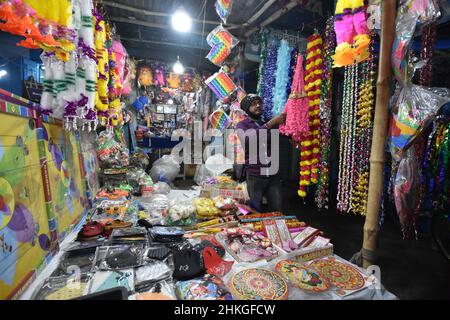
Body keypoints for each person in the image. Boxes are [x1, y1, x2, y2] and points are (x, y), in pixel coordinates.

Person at [236, 94, 286, 212]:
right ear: (247, 108)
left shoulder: (269, 122)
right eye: (253, 104)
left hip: (273, 175)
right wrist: (270, 124)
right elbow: (248, 140)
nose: (258, 106)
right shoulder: (242, 125)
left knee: (277, 210)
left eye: (259, 103)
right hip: (255, 175)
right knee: (254, 211)